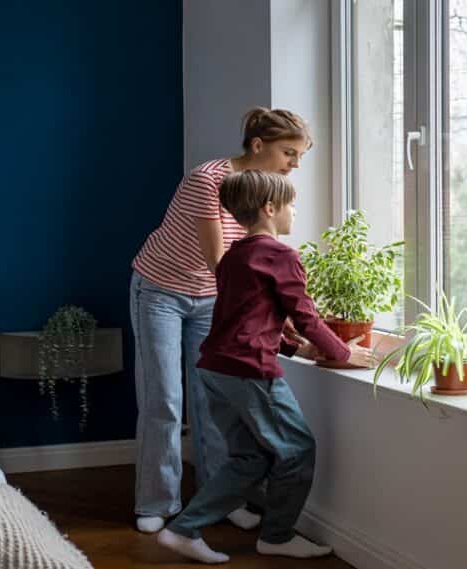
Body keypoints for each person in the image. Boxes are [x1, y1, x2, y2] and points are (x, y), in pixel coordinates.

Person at [156, 170, 377, 563]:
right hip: (248, 371)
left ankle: (183, 529)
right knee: (297, 449)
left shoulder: (233, 256)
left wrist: (297, 349)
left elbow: (248, 318)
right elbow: (305, 317)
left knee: (250, 458)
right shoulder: (280, 255)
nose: (295, 212)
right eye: (292, 205)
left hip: (214, 368)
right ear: (270, 208)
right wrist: (343, 353)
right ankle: (276, 535)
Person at [130, 108, 314, 533]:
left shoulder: (268, 189)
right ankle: (156, 502)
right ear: (258, 145)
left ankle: (218, 499)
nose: (294, 164)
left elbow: (259, 261)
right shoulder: (208, 180)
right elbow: (221, 262)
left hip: (214, 297)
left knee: (213, 400)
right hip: (161, 290)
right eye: (289, 152)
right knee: (164, 399)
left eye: (300, 156)